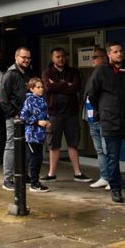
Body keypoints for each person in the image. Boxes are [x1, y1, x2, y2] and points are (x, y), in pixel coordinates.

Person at [87, 42, 125, 203]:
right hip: (111, 122)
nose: (119, 54)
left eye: (121, 51)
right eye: (115, 51)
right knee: (112, 158)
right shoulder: (101, 70)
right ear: (109, 54)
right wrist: (104, 109)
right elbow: (91, 94)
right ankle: (115, 189)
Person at [41, 47, 90, 183]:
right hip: (54, 113)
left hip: (71, 113)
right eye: (57, 56)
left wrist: (58, 85)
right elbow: (48, 88)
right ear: (52, 58)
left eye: (63, 56)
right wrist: (65, 84)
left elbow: (76, 87)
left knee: (73, 143)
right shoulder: (47, 72)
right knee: (54, 144)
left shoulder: (73, 71)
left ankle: (78, 173)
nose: (61, 59)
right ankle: (51, 174)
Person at [0, 47, 34, 191]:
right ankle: (7, 179)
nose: (26, 60)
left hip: (26, 117)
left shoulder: (27, 74)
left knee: (25, 146)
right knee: (11, 147)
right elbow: (3, 98)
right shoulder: (10, 75)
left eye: (28, 58)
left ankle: (22, 174)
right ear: (16, 57)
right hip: (14, 118)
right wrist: (13, 114)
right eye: (23, 57)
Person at [83, 47, 111, 189]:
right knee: (99, 150)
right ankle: (104, 177)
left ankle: (112, 179)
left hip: (102, 117)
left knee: (108, 149)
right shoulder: (93, 72)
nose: (92, 59)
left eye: (96, 57)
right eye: (92, 57)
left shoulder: (107, 73)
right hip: (91, 118)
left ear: (104, 58)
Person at [20, 78, 52, 192]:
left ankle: (34, 181)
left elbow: (44, 114)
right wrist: (37, 122)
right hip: (32, 134)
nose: (41, 89)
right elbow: (23, 116)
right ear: (32, 88)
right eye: (38, 87)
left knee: (38, 159)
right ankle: (34, 184)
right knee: (35, 159)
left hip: (40, 134)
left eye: (41, 87)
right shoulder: (29, 100)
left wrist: (47, 122)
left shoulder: (42, 100)